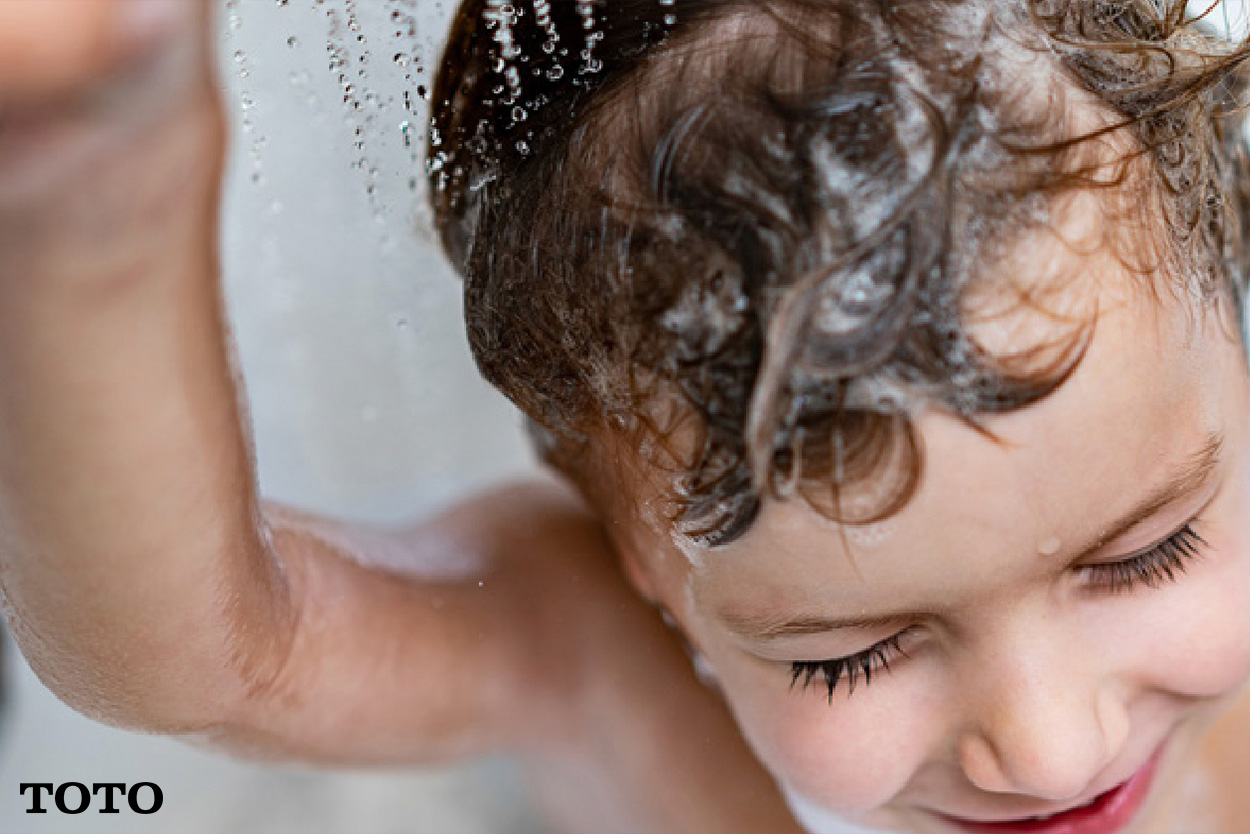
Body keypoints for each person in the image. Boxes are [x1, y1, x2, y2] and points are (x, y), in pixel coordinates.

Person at [0, 1, 1248, 833]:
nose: (1046, 748)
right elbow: (201, 660)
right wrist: (97, 209)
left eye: (1150, 553)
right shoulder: (604, 663)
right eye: (846, 657)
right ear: (639, 556)